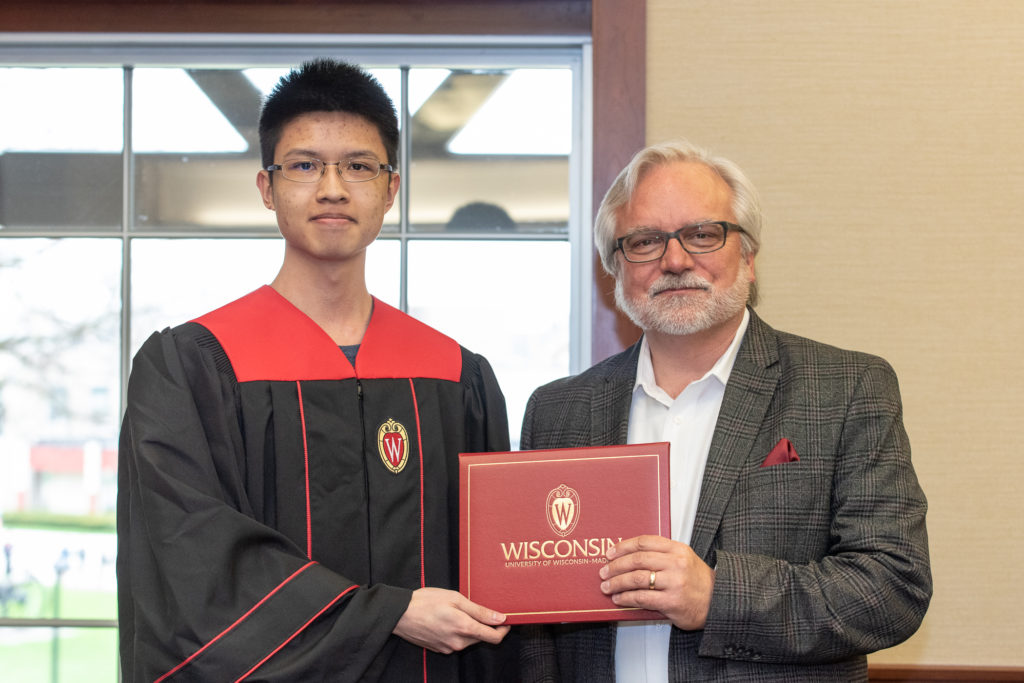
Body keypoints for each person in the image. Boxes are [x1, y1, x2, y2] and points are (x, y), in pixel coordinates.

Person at [117, 59, 515, 682]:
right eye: (304, 165)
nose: (332, 188)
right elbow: (191, 567)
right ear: (267, 187)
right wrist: (389, 613)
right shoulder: (192, 369)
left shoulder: (455, 375)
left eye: (359, 166)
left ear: (390, 188)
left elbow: (497, 574)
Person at [518, 140, 931, 681]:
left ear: (749, 256)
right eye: (645, 241)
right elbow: (536, 624)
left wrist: (718, 597)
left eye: (702, 234)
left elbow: (892, 586)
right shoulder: (557, 410)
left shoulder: (847, 387)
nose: (675, 259)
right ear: (614, 269)